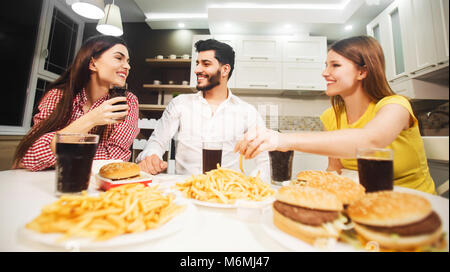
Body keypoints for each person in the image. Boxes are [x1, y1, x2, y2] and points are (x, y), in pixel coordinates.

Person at [235, 35, 436, 194]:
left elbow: (371, 141)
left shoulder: (396, 106)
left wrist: (280, 139)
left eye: (335, 65)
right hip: (362, 202)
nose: (324, 72)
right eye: (325, 65)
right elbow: (335, 171)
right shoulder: (331, 116)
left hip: (413, 205)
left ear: (362, 72)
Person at [137, 39, 270, 180]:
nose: (197, 70)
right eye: (197, 63)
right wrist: (151, 156)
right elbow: (157, 141)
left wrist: (256, 186)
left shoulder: (247, 111)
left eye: (206, 64)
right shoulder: (180, 104)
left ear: (225, 69)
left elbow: (263, 160)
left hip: (227, 194)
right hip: (185, 190)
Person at [13, 35, 139, 171]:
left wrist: (56, 152)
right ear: (92, 64)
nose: (127, 66)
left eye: (128, 61)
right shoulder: (58, 96)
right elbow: (30, 154)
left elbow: (114, 158)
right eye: (118, 58)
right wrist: (92, 119)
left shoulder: (128, 102)